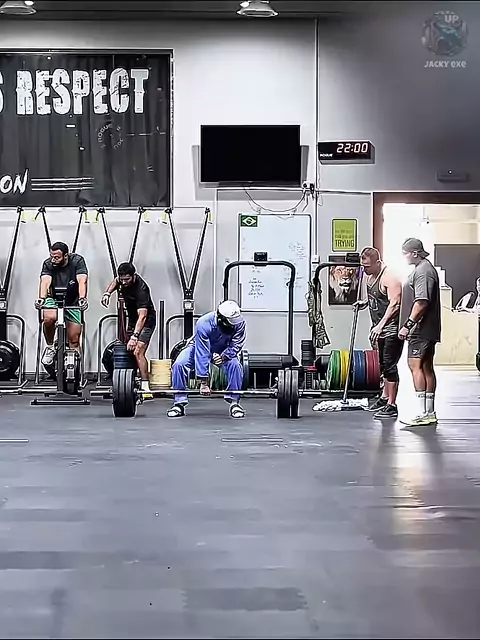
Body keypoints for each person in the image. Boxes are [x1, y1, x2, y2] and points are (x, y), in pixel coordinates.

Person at [168, 300, 246, 419]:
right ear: (221, 319)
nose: (233, 326)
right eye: (230, 323)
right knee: (179, 365)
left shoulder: (239, 322)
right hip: (198, 347)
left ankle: (234, 403)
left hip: (224, 350)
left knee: (235, 366)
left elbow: (237, 344)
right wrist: (204, 382)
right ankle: (179, 403)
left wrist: (224, 356)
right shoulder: (204, 323)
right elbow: (202, 353)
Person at [355, 247, 403, 419]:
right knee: (382, 365)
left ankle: (392, 405)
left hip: (391, 330)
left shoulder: (389, 277)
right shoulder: (369, 277)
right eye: (363, 266)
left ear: (378, 262)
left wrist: (381, 326)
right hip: (379, 329)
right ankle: (384, 398)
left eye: (367, 266)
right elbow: (378, 299)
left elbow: (395, 304)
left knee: (390, 366)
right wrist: (365, 303)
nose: (364, 269)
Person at [399, 238, 441, 427]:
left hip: (420, 329)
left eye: (405, 253)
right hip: (426, 329)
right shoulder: (424, 269)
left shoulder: (423, 272)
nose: (404, 257)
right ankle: (429, 412)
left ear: (415, 253)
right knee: (426, 367)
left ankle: (422, 413)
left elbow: (422, 302)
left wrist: (407, 325)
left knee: (415, 366)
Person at [101, 262, 156, 394]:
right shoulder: (121, 280)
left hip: (146, 321)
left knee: (138, 351)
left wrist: (135, 336)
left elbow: (142, 316)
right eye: (122, 279)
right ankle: (129, 381)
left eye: (127, 279)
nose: (124, 282)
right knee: (129, 350)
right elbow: (116, 281)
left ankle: (145, 386)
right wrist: (107, 293)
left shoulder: (141, 289)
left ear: (134, 276)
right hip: (132, 320)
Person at [35, 241, 88, 367]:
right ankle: (50, 346)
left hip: (72, 300)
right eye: (52, 256)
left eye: (57, 257)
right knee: (49, 318)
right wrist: (41, 298)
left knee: (74, 340)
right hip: (53, 298)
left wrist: (82, 298)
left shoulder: (77, 261)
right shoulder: (48, 263)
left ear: (65, 256)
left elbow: (82, 280)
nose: (53, 259)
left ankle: (75, 370)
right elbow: (45, 281)